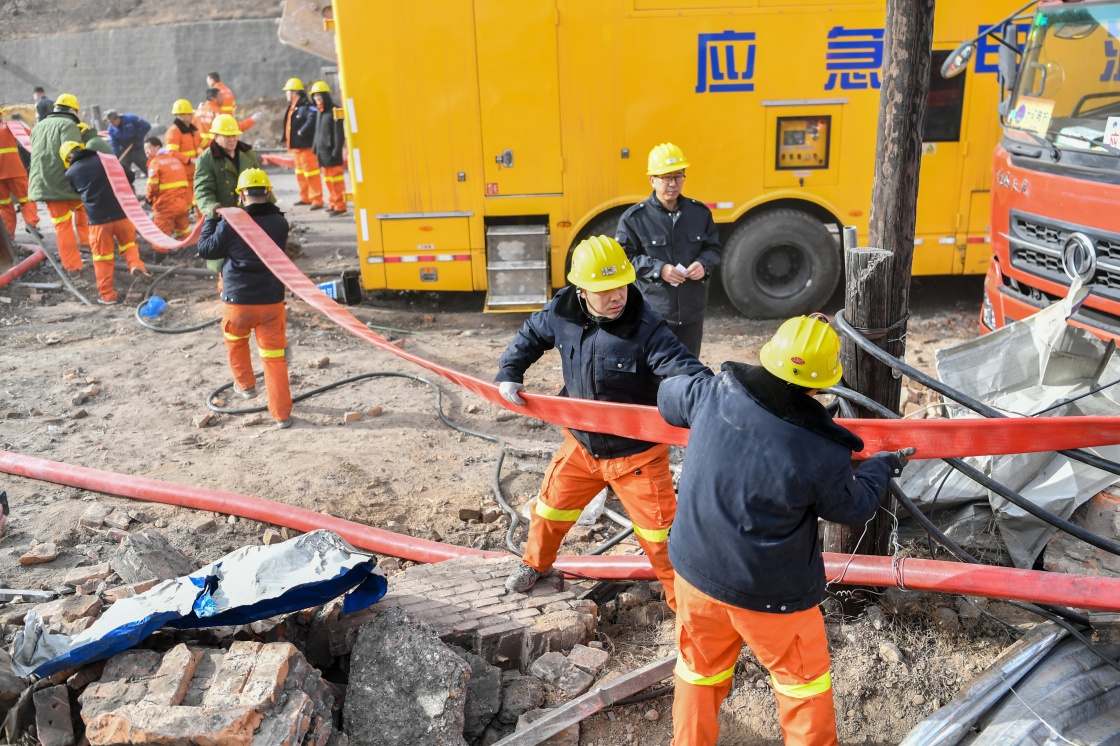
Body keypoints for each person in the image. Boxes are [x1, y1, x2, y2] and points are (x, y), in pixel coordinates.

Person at [657, 314, 912, 746]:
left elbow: (668, 397)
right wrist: (880, 468)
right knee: (802, 687)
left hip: (695, 575)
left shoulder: (716, 391)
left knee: (699, 674)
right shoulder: (820, 450)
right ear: (823, 384)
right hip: (770, 596)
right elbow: (853, 508)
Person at [495, 235, 711, 605]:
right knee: (548, 510)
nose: (617, 297)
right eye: (604, 290)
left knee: (663, 540)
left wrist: (711, 399)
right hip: (581, 446)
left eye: (621, 287)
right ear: (581, 290)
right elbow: (531, 333)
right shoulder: (562, 311)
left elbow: (685, 370)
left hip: (638, 457)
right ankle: (536, 564)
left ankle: (691, 611)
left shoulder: (647, 328)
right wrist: (509, 371)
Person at [197, 168, 292, 430]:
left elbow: (205, 249)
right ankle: (282, 415)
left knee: (236, 343)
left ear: (241, 195)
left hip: (237, 302)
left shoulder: (233, 223)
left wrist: (211, 219)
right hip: (272, 302)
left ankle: (246, 387)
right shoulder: (280, 223)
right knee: (274, 359)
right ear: (268, 192)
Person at [616, 142, 721, 357]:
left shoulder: (699, 213)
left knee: (689, 370)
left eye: (678, 176)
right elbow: (623, 258)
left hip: (692, 313)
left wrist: (704, 264)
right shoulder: (635, 219)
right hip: (654, 313)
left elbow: (713, 248)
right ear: (652, 180)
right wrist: (659, 269)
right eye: (666, 178)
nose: (673, 184)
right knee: (653, 372)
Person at [61, 140, 147, 305]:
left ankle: (108, 296)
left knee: (102, 258)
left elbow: (76, 190)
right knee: (128, 245)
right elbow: (130, 176)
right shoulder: (106, 159)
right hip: (122, 214)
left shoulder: (71, 172)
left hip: (98, 221)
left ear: (66, 159)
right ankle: (136, 265)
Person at [193, 114, 266, 271]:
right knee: (225, 264)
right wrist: (210, 207)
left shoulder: (247, 154)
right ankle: (226, 292)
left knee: (253, 258)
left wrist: (270, 209)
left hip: (249, 216)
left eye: (234, 135)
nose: (232, 139)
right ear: (216, 137)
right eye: (227, 136)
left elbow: (261, 182)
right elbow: (202, 189)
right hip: (224, 220)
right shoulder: (207, 159)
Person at [28, 94, 88, 273]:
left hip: (43, 184)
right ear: (72, 111)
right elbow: (72, 154)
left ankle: (75, 259)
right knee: (80, 210)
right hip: (64, 182)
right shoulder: (68, 125)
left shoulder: (38, 127)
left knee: (63, 223)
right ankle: (80, 253)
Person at [282, 78, 322, 209]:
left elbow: (313, 117)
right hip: (296, 149)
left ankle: (316, 199)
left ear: (294, 93)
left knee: (311, 174)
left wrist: (303, 131)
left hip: (306, 148)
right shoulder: (293, 107)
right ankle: (305, 197)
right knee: (300, 174)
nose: (286, 94)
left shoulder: (306, 106)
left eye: (287, 92)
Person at [309, 81, 347, 217]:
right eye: (315, 96)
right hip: (322, 152)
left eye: (319, 96)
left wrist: (336, 151)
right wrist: (315, 147)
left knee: (336, 181)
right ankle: (333, 204)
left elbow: (339, 134)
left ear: (326, 96)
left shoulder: (334, 110)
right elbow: (317, 131)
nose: (317, 98)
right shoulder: (320, 111)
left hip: (331, 153)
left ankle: (340, 207)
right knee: (329, 181)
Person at [0, 110, 40, 237]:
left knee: (5, 206)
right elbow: (31, 136)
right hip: (14, 170)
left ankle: (8, 234)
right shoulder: (10, 126)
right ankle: (30, 223)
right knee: (27, 198)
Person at [144, 136, 192, 239]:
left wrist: (148, 198)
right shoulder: (175, 161)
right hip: (181, 205)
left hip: (165, 206)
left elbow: (152, 186)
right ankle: (197, 253)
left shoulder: (155, 163)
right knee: (183, 232)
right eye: (145, 150)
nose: (146, 152)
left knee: (160, 237)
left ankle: (159, 255)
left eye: (148, 148)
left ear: (157, 148)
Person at [165, 99, 202, 205]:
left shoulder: (192, 130)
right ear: (181, 116)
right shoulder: (174, 132)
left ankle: (200, 221)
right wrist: (190, 160)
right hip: (182, 175)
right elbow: (172, 152)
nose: (192, 116)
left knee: (198, 202)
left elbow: (203, 143)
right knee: (186, 204)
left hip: (194, 172)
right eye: (189, 114)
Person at [104, 110, 152, 181]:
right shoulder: (111, 129)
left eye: (112, 121)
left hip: (138, 149)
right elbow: (114, 145)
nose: (111, 124)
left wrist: (138, 137)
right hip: (125, 151)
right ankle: (129, 189)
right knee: (124, 173)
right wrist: (116, 158)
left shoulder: (131, 119)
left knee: (148, 169)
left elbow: (147, 126)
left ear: (117, 118)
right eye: (109, 122)